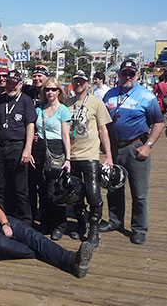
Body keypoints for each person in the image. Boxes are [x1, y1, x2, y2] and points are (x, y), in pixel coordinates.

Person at [0, 178, 93, 278]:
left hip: (0, 221)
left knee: (34, 237)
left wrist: (5, 224)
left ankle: (71, 259)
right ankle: (55, 256)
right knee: (4, 246)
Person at [102, 60, 165, 245]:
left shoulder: (147, 96)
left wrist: (149, 145)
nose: (127, 77)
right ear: (119, 75)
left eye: (131, 74)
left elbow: (159, 122)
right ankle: (115, 220)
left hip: (136, 146)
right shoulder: (110, 95)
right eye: (124, 74)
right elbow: (103, 122)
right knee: (114, 188)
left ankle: (139, 228)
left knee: (139, 192)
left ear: (137, 75)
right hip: (114, 147)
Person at [64, 70, 113, 247]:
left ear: (87, 84)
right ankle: (81, 223)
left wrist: (108, 155)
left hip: (90, 154)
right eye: (76, 81)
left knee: (93, 192)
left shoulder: (96, 102)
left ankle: (94, 228)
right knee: (75, 193)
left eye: (81, 81)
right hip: (72, 155)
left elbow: (103, 130)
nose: (78, 84)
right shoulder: (67, 103)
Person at [31, 77, 72, 237]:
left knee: (55, 190)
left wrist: (68, 158)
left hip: (56, 150)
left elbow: (66, 136)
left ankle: (60, 225)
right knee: (41, 188)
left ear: (59, 91)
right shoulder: (39, 109)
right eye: (47, 89)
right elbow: (35, 129)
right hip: (40, 150)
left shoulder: (63, 110)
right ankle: (46, 223)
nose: (50, 92)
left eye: (53, 89)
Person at [0, 69, 36, 224]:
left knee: (20, 189)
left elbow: (30, 125)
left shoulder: (26, 100)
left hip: (18, 147)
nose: (12, 87)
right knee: (2, 187)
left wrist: (28, 149)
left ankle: (26, 222)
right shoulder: (0, 99)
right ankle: (3, 218)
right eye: (9, 83)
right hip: (1, 148)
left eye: (15, 84)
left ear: (21, 84)